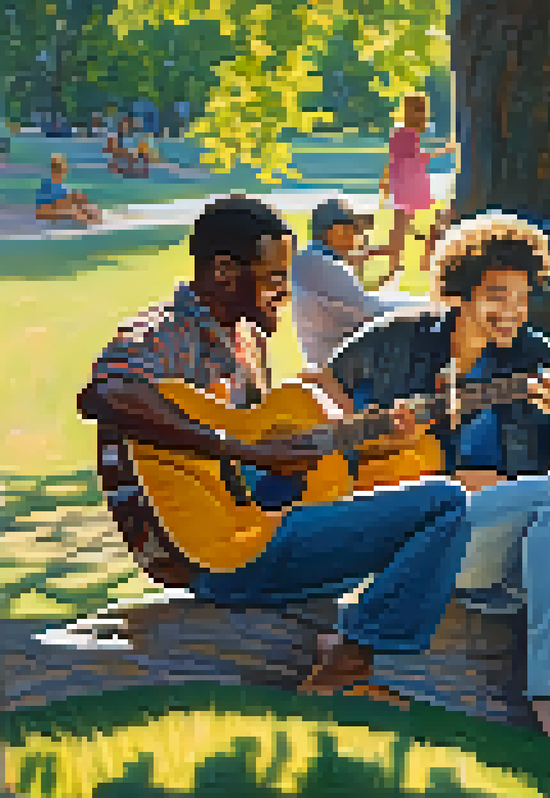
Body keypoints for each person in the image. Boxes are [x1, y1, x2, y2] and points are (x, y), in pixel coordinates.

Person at [76, 195, 474, 703]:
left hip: (254, 530)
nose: (286, 292)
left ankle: (342, 637)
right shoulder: (166, 332)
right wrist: (246, 451)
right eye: (274, 278)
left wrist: (374, 438)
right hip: (217, 552)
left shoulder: (245, 338)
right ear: (224, 272)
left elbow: (263, 458)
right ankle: (347, 666)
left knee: (411, 470)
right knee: (445, 503)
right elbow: (108, 393)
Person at [321, 210, 550, 746]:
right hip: (403, 536)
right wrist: (378, 436)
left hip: (487, 545)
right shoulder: (398, 338)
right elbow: (316, 393)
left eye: (522, 299)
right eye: (497, 296)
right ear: (460, 291)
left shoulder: (534, 357)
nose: (512, 312)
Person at [291, 197, 432, 369]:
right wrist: (430, 305)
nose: (360, 237)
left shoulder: (313, 259)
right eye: (356, 229)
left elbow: (360, 302)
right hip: (337, 365)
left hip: (333, 358)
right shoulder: (321, 264)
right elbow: (372, 310)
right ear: (336, 231)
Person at [380, 93, 456, 274]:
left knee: (405, 224)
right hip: (409, 185)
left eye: (422, 110)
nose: (421, 114)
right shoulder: (406, 134)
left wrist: (385, 181)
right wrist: (445, 150)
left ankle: (402, 261)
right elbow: (416, 158)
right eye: (418, 110)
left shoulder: (402, 132)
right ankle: (413, 261)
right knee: (416, 223)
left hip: (406, 184)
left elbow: (394, 160)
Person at [35, 154, 102, 224]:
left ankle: (92, 217)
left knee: (78, 201)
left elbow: (67, 200)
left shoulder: (60, 186)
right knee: (76, 210)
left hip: (59, 213)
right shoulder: (46, 185)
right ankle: (91, 219)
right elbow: (41, 211)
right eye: (59, 168)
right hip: (51, 215)